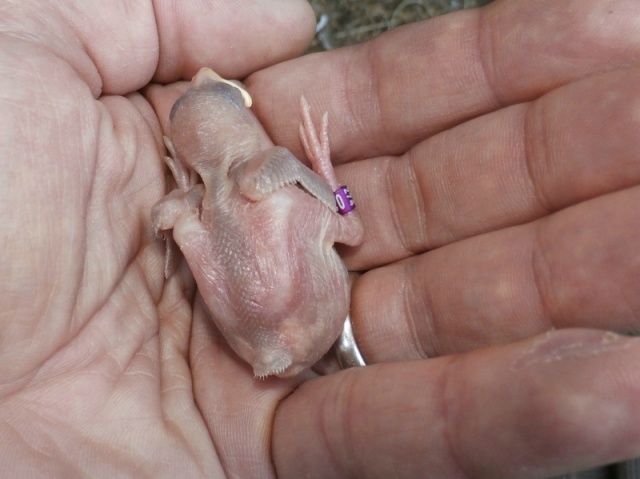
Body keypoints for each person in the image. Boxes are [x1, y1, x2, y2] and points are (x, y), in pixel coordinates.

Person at [1, 0, 638, 477]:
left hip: (258, 340)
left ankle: (290, 335)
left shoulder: (187, 201)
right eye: (238, 97)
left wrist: (184, 188)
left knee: (216, 228)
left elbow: (167, 219)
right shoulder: (266, 167)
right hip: (303, 319)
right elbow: (350, 226)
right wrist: (326, 176)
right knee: (292, 216)